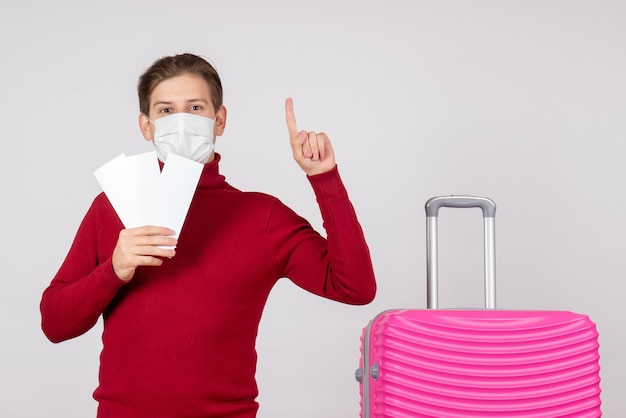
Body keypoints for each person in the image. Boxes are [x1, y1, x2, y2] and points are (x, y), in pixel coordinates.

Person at [40, 52, 376, 418]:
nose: (181, 121)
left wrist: (324, 177)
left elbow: (354, 287)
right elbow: (55, 324)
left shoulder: (261, 217)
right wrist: (114, 270)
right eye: (166, 110)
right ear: (146, 125)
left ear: (219, 120)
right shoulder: (113, 208)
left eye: (195, 108)